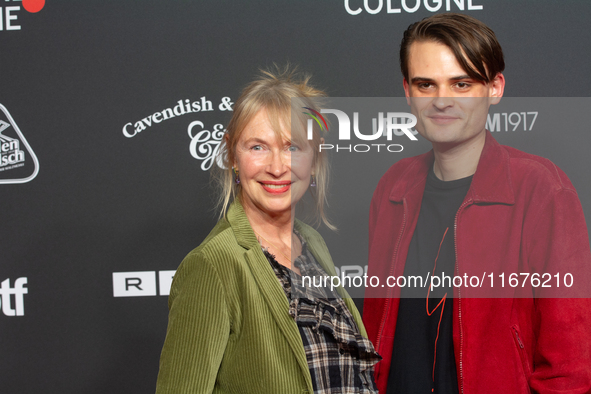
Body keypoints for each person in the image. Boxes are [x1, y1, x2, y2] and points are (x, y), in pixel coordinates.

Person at [363, 13, 591, 394]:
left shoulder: (541, 189)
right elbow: (375, 331)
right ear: (407, 91)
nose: (441, 101)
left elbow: (569, 365)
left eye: (461, 83)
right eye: (425, 84)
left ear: (495, 88)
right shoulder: (394, 187)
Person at [156, 66, 379, 394]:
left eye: (292, 147)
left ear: (314, 157)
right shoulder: (214, 265)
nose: (277, 167)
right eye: (258, 147)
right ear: (233, 153)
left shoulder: (310, 243)